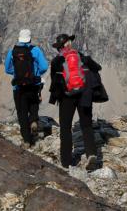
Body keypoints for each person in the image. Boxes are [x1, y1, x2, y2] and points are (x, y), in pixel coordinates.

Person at [49, 34, 101, 171]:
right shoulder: (82, 57)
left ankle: (66, 161)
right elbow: (97, 67)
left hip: (66, 97)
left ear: (60, 48)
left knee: (65, 128)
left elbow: (54, 80)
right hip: (84, 95)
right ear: (70, 43)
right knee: (87, 126)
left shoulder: (56, 61)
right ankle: (91, 154)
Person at [4, 29, 48, 149]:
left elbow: (7, 69)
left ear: (19, 38)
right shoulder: (36, 50)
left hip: (18, 87)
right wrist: (35, 73)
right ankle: (33, 120)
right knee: (34, 104)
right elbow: (44, 67)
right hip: (33, 85)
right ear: (29, 39)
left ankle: (27, 141)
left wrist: (18, 73)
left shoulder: (12, 51)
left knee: (21, 113)